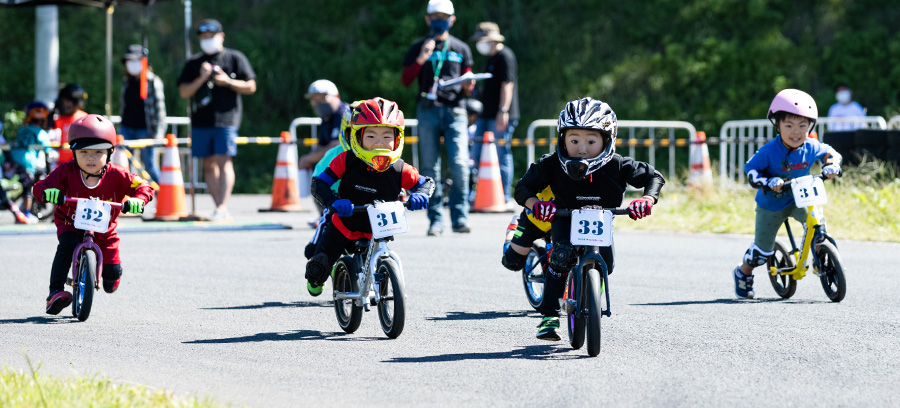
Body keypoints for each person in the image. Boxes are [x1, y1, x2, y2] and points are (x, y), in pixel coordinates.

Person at [514, 97, 665, 340]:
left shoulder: (617, 165)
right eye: (574, 140)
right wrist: (536, 204)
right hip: (564, 216)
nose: (582, 149)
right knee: (561, 258)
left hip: (601, 219)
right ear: (562, 139)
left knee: (608, 264)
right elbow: (523, 188)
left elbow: (653, 177)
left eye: (591, 141)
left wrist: (647, 199)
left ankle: (590, 292)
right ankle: (549, 316)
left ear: (607, 140)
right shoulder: (552, 164)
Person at [305, 97, 435, 296]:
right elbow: (319, 183)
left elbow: (426, 182)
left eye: (386, 136)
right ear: (357, 137)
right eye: (371, 136)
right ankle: (321, 275)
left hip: (378, 230)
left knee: (381, 269)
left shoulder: (400, 168)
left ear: (398, 138)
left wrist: (421, 195)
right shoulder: (345, 160)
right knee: (317, 268)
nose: (378, 144)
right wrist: (334, 201)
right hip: (343, 224)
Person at [33, 114, 153, 315]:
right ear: (73, 152)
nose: (91, 158)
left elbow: (144, 186)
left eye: (98, 152)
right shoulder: (65, 171)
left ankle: (111, 273)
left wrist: (138, 200)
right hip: (69, 221)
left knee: (111, 277)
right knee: (67, 245)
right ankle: (55, 292)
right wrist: (47, 192)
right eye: (84, 152)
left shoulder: (118, 175)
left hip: (105, 227)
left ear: (110, 152)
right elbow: (41, 186)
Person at [733, 89, 842, 299]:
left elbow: (831, 153)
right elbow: (751, 170)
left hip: (801, 198)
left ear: (811, 126)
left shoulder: (810, 146)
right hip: (771, 204)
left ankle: (822, 260)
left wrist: (831, 166)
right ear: (778, 125)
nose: (796, 132)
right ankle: (743, 273)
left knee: (818, 226)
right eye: (789, 126)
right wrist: (767, 181)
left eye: (803, 126)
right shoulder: (768, 151)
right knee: (762, 252)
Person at [401, 0, 475, 236]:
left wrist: (469, 85)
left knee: (460, 164)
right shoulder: (418, 46)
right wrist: (422, 58)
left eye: (444, 16)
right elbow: (405, 80)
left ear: (452, 20)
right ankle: (435, 220)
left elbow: (469, 86)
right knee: (430, 167)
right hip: (427, 109)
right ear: (427, 19)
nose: (439, 20)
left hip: (455, 111)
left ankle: (460, 218)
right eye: (435, 16)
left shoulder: (461, 48)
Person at [178, 18, 257, 221]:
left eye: (211, 36)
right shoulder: (194, 63)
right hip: (201, 120)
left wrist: (227, 81)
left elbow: (251, 86)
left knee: (224, 160)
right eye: (203, 37)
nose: (207, 40)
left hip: (227, 119)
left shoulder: (234, 57)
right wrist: (202, 78)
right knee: (208, 164)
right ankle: (217, 207)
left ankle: (222, 206)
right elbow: (184, 92)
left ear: (221, 36)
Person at [470, 22, 519, 209]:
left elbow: (508, 84)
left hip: (499, 114)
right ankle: (480, 194)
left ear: (491, 39)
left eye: (482, 39)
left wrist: (503, 110)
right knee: (477, 153)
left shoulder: (505, 56)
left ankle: (504, 195)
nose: (479, 43)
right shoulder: (490, 58)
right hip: (486, 114)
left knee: (501, 153)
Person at [119, 44, 167, 184]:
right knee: (124, 165)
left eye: (134, 60)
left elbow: (160, 110)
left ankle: (162, 195)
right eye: (129, 61)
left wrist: (158, 133)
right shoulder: (126, 82)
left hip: (146, 130)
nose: (131, 64)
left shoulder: (152, 81)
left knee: (150, 166)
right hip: (127, 128)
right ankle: (129, 197)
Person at [8, 101, 53, 223]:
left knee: (24, 186)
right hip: (29, 162)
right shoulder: (42, 133)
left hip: (15, 160)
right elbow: (48, 151)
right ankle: (26, 213)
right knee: (29, 188)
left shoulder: (22, 130)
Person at [299, 79, 351, 171]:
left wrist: (309, 158)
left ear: (337, 97)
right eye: (314, 99)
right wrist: (309, 158)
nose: (318, 103)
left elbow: (337, 146)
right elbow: (321, 146)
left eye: (323, 98)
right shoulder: (327, 118)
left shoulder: (346, 114)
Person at [52, 84, 89, 164]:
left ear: (77, 103)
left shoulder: (84, 119)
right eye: (63, 101)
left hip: (76, 164)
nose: (64, 104)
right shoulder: (57, 119)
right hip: (59, 164)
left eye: (67, 101)